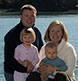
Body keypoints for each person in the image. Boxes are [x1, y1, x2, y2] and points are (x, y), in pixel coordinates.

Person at [4, 4, 43, 81]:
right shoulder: (11, 35)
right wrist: (25, 69)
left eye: (32, 16)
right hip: (13, 73)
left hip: (32, 73)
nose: (29, 19)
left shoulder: (36, 32)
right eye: (26, 16)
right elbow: (9, 59)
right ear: (21, 17)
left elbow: (41, 51)